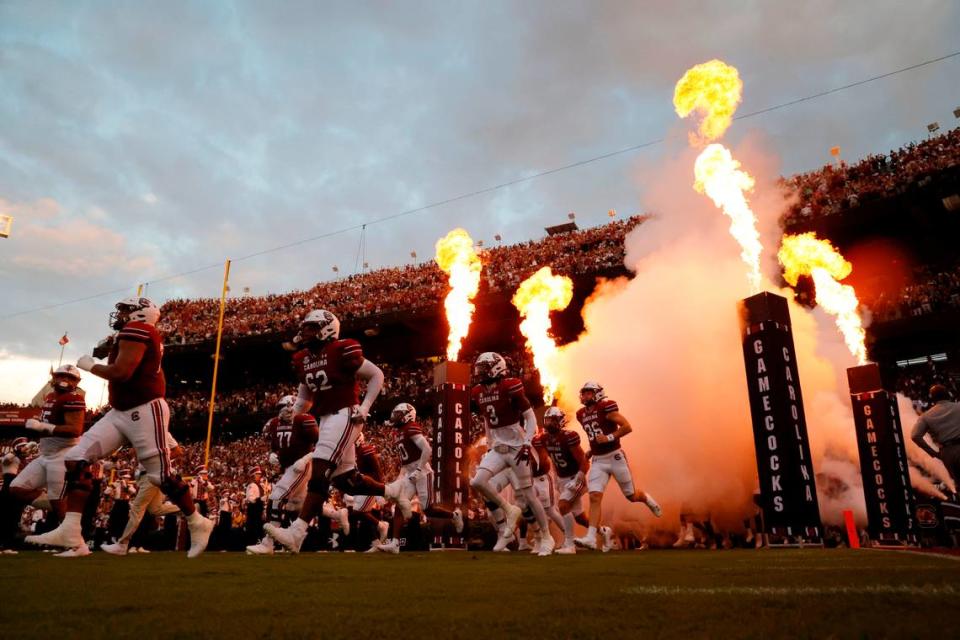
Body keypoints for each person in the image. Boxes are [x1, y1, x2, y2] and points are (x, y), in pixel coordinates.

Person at [26, 297, 214, 558]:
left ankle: (197, 521)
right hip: (121, 411)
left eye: (125, 309)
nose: (120, 314)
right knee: (75, 457)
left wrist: (91, 366)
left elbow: (122, 372)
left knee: (161, 476)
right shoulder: (138, 332)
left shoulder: (138, 330)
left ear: (139, 313)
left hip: (145, 408)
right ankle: (71, 530)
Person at [265, 309, 403, 553]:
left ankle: (297, 532)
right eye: (305, 327)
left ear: (327, 328)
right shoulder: (303, 359)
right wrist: (291, 414)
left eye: (311, 327)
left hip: (345, 413)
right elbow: (304, 399)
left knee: (320, 470)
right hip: (327, 417)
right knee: (347, 481)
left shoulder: (341, 349)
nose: (305, 332)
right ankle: (394, 490)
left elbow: (376, 375)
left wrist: (365, 406)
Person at [469, 352, 554, 556]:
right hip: (498, 447)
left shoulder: (510, 385)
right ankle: (509, 509)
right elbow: (487, 421)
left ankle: (546, 536)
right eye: (480, 367)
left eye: (485, 367)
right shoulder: (478, 391)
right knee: (477, 481)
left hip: (516, 447)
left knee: (528, 495)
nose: (480, 371)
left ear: (497, 368)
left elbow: (530, 417)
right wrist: (490, 444)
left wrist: (526, 443)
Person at [573, 381, 661, 550]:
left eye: (588, 392)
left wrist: (609, 438)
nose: (584, 396)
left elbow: (627, 427)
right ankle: (591, 537)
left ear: (597, 393)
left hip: (615, 457)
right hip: (598, 460)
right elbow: (594, 433)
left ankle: (647, 499)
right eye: (583, 393)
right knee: (594, 497)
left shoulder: (606, 407)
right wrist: (592, 449)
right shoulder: (581, 414)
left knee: (631, 496)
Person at [8, 366, 86, 549]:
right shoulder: (50, 396)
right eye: (61, 375)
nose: (65, 379)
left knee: (59, 505)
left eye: (70, 377)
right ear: (53, 377)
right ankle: (57, 503)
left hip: (63, 454)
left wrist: (43, 427)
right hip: (46, 454)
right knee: (17, 488)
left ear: (77, 382)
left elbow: (75, 429)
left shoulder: (74, 398)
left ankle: (77, 545)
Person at [377, 403, 463, 553]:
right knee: (399, 502)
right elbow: (405, 462)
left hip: (422, 471)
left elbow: (427, 449)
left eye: (399, 413)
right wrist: (400, 478)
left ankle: (454, 515)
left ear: (408, 414)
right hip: (410, 471)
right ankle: (395, 543)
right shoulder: (398, 432)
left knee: (427, 509)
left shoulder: (411, 427)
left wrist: (418, 469)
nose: (395, 416)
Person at [534, 407, 591, 554]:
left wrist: (579, 477)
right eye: (547, 420)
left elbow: (584, 461)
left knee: (563, 506)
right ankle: (604, 531)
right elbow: (542, 460)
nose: (549, 423)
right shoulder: (544, 438)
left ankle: (570, 544)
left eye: (552, 420)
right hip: (561, 479)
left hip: (576, 478)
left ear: (560, 421)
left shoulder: (568, 436)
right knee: (579, 517)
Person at [911, 384, 960, 488]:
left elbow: (915, 435)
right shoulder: (958, 407)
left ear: (932, 398)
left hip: (947, 453)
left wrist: (933, 453)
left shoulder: (927, 415)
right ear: (947, 394)